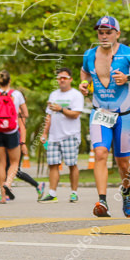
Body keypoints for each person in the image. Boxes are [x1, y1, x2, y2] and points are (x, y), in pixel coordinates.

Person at [79, 16, 130, 218]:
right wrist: (83, 84)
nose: (104, 36)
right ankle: (102, 202)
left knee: (122, 163)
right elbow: (84, 72)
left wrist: (129, 78)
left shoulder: (129, 53)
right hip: (99, 113)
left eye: (108, 32)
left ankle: (126, 192)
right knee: (100, 153)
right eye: (100, 32)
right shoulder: (89, 54)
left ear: (117, 34)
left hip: (124, 116)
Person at [0, 70, 33, 202]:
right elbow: (26, 113)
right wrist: (14, 117)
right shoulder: (17, 94)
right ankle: (8, 183)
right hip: (12, 132)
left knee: (1, 163)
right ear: (10, 81)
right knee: (14, 162)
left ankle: (3, 196)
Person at [39, 67, 84, 203]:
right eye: (59, 78)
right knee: (53, 164)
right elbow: (49, 115)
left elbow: (76, 114)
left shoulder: (76, 95)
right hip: (54, 136)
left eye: (64, 78)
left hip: (70, 135)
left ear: (70, 79)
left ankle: (74, 193)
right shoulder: (53, 95)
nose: (62, 80)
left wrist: (61, 109)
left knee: (72, 164)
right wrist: (45, 133)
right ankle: (52, 193)